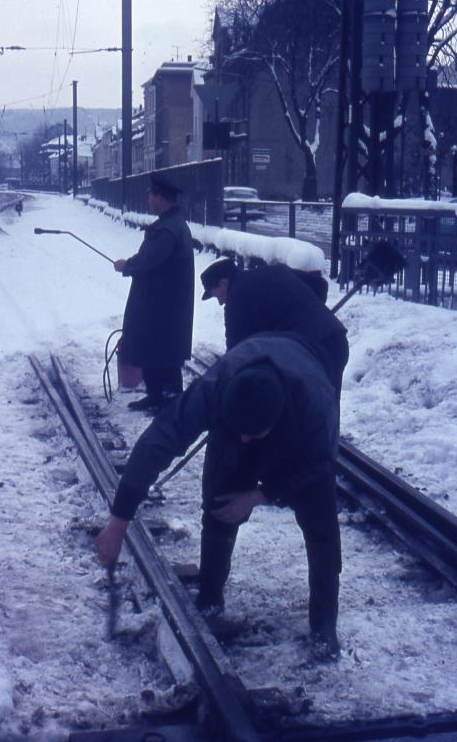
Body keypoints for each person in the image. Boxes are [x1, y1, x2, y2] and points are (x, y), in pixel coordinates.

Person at [97, 333, 341, 658]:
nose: (243, 440)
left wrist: (260, 494)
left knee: (321, 526)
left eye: (250, 434)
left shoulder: (317, 404)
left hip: (304, 412)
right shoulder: (217, 387)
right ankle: (210, 598)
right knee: (221, 498)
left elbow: (318, 462)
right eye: (237, 430)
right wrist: (118, 522)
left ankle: (324, 629)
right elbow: (159, 439)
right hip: (250, 386)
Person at [200, 258, 349, 400]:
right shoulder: (274, 270)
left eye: (215, 294)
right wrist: (306, 313)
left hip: (313, 354)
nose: (219, 302)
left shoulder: (236, 297)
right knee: (327, 415)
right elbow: (320, 286)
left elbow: (235, 354)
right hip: (336, 339)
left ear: (223, 283)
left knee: (310, 416)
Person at [114, 173, 195, 414]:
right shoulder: (171, 224)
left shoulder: (168, 229)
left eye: (151, 195)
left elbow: (150, 260)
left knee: (161, 348)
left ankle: (168, 398)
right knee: (153, 346)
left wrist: (126, 266)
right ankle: (156, 395)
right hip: (162, 300)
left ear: (161, 198)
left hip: (163, 303)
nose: (148, 199)